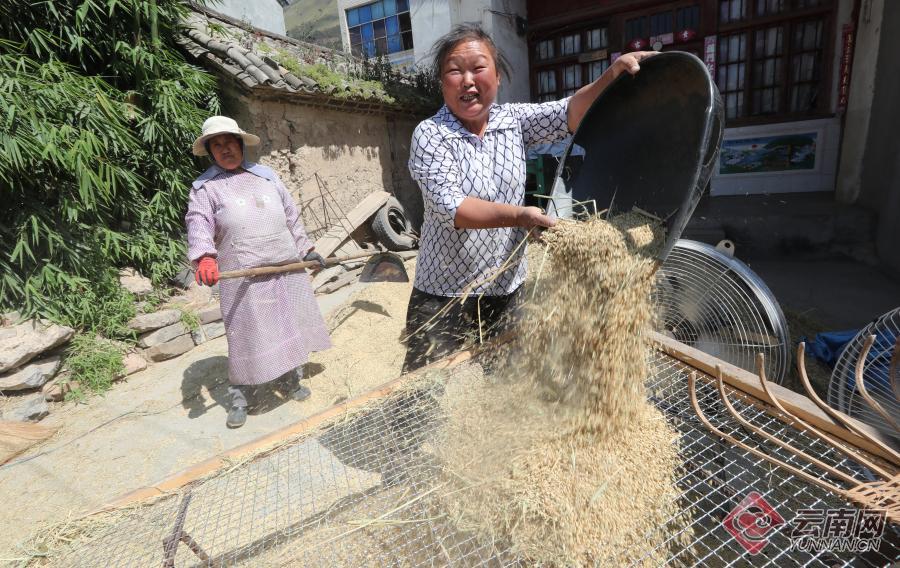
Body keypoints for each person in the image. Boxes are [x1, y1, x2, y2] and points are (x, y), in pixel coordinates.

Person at [403, 24, 656, 372]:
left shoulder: (513, 121)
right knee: (422, 389)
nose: (467, 80)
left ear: (497, 75)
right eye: (454, 71)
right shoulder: (430, 135)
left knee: (508, 380)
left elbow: (570, 113)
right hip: (444, 291)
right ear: (442, 81)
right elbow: (453, 208)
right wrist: (520, 216)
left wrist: (610, 76)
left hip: (506, 289)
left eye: (478, 68)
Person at [185, 116, 332, 428]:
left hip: (286, 265)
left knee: (288, 325)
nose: (226, 149)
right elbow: (198, 223)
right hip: (244, 275)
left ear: (241, 144)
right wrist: (205, 259)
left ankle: (291, 380)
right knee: (248, 337)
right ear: (210, 151)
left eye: (231, 142)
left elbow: (291, 216)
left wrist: (306, 250)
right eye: (218, 145)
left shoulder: (267, 176)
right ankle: (241, 398)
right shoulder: (205, 188)